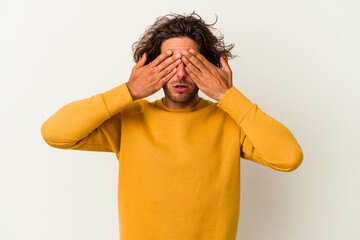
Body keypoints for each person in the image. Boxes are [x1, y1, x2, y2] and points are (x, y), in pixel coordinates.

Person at [41, 11, 303, 240]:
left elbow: (289, 157)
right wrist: (129, 90)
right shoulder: (130, 118)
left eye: (189, 64)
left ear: (209, 67)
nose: (179, 74)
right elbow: (55, 133)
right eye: (169, 63)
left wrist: (227, 95)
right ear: (153, 66)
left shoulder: (230, 120)